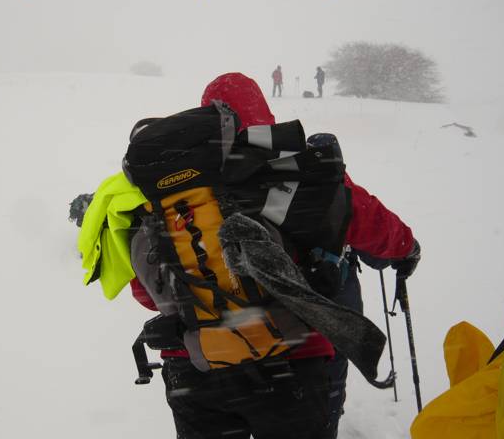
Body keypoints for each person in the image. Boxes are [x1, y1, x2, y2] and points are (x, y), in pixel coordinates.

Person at [125, 73, 421, 438]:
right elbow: (375, 226)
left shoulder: (167, 190)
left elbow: (145, 293)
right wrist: (407, 250)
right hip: (293, 365)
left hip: (196, 372)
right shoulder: (296, 169)